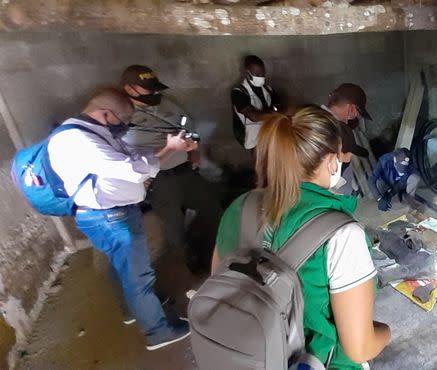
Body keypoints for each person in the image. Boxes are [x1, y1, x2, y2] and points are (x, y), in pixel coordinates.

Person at [211, 107, 390, 368]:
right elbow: (359, 348)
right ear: (331, 161)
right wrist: (385, 332)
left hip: (248, 356)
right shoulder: (342, 235)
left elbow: (220, 283)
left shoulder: (239, 206)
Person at [48, 88, 198, 350]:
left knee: (121, 268)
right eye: (123, 121)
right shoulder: (78, 140)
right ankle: (158, 332)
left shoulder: (95, 132)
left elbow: (130, 155)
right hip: (110, 217)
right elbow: (132, 168)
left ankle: (134, 309)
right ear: (106, 114)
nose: (125, 127)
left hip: (112, 213)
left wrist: (170, 145)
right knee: (138, 276)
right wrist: (168, 149)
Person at [120, 65, 222, 273]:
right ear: (130, 89)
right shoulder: (121, 116)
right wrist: (168, 147)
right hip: (160, 179)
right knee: (174, 227)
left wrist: (194, 152)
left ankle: (210, 251)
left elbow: (189, 127)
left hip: (186, 171)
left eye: (155, 88)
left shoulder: (167, 105)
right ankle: (188, 262)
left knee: (213, 210)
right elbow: (128, 157)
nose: (155, 93)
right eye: (148, 89)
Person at [322, 83, 372, 196]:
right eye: (357, 114)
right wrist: (342, 190)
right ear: (352, 108)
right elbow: (343, 160)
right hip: (333, 196)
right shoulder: (340, 130)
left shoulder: (316, 118)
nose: (355, 117)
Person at [230, 55, 276, 150]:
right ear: (248, 73)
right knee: (259, 160)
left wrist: (273, 111)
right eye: (258, 75)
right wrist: (274, 113)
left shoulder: (269, 90)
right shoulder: (238, 92)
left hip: (267, 134)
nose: (261, 78)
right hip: (250, 137)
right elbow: (253, 116)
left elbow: (279, 106)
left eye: (263, 75)